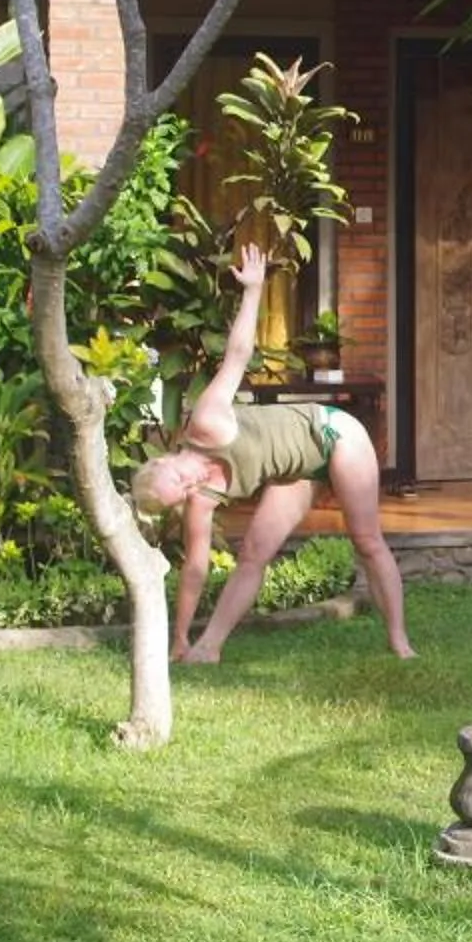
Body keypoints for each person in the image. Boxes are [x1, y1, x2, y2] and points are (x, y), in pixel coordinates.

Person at [129, 245, 416, 662]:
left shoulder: (207, 423)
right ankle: (208, 647)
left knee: (366, 539)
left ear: (165, 459)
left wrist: (253, 291)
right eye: (181, 494)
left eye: (178, 478)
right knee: (252, 554)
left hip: (333, 433)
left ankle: (400, 642)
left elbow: (238, 356)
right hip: (295, 469)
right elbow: (194, 571)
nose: (189, 485)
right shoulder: (200, 501)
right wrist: (179, 637)